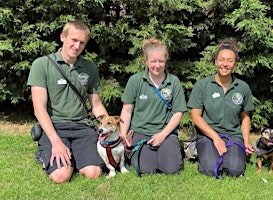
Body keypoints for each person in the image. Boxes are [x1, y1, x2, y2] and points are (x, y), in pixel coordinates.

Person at [27, 21, 109, 184]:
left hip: (82, 127)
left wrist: (110, 128)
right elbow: (39, 109)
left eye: (82, 42)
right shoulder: (42, 64)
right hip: (55, 127)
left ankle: (77, 155)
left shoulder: (89, 67)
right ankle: (49, 151)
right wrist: (56, 142)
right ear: (63, 37)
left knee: (93, 173)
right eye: (73, 40)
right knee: (61, 176)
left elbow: (97, 104)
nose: (77, 46)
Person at [187, 38, 255, 178]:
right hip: (208, 136)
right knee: (211, 170)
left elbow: (245, 117)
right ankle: (199, 149)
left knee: (235, 171)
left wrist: (246, 141)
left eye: (230, 61)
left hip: (233, 135)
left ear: (235, 64)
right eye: (221, 60)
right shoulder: (202, 85)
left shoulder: (242, 87)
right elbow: (195, 116)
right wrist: (215, 138)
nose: (225, 64)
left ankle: (232, 154)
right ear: (215, 62)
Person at [119, 37, 187, 175]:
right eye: (153, 61)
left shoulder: (173, 81)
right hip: (140, 132)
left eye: (161, 61)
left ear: (166, 60)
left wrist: (163, 134)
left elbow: (178, 112)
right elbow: (126, 111)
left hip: (165, 132)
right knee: (147, 170)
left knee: (172, 169)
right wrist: (123, 136)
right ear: (146, 61)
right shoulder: (135, 80)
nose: (157, 65)